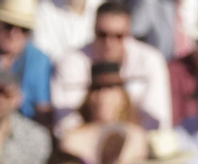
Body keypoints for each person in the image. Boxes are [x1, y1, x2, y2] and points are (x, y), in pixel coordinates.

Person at [52, 0, 171, 131]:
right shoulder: (71, 61)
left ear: (129, 34)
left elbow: (157, 121)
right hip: (85, 145)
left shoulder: (150, 60)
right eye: (103, 35)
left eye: (118, 36)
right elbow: (64, 124)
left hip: (136, 143)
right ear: (93, 31)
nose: (109, 43)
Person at [55, 60, 145, 164]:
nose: (103, 96)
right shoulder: (72, 138)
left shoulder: (137, 136)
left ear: (123, 96)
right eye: (97, 89)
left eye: (110, 88)